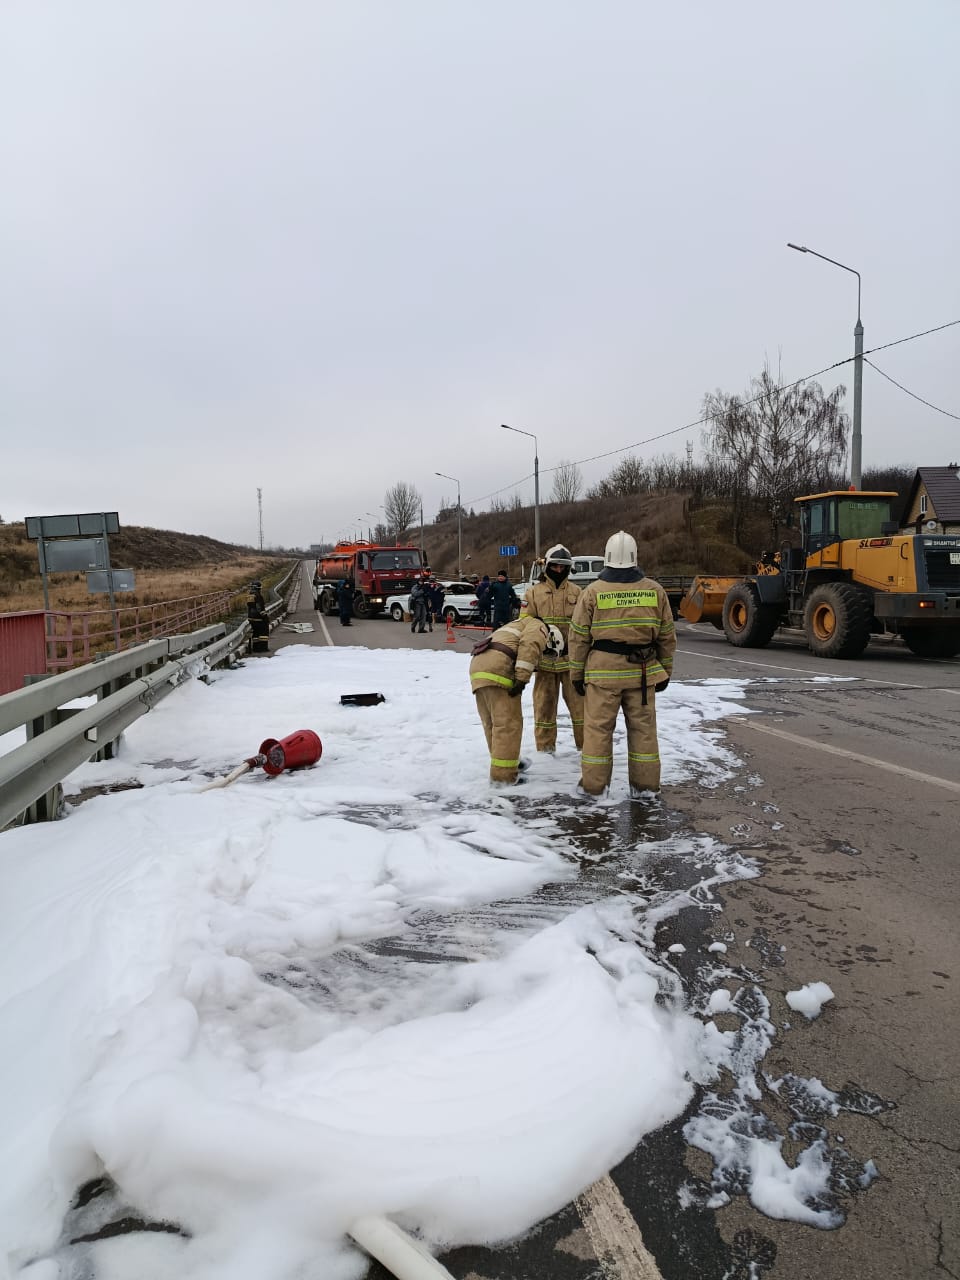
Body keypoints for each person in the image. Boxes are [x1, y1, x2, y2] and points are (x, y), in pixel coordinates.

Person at [568, 531, 676, 798]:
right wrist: (664, 672)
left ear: (606, 558)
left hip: (602, 676)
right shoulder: (655, 591)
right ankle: (645, 788)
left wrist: (577, 674)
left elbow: (578, 637)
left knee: (597, 732)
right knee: (644, 733)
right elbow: (667, 636)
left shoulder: (592, 592)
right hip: (642, 674)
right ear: (634, 557)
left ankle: (594, 789)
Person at [469, 616, 564, 784]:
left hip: (478, 667)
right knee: (508, 725)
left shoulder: (518, 624)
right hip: (498, 667)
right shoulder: (539, 627)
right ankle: (504, 778)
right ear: (552, 639)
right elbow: (530, 646)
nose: (545, 654)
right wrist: (522, 679)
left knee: (493, 724)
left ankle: (509, 763)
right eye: (548, 651)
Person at [519, 544, 584, 753]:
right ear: (547, 566)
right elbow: (524, 623)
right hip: (545, 662)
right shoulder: (533, 593)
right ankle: (545, 751)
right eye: (555, 566)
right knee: (544, 708)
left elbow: (585, 625)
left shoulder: (578, 592)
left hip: (571, 662)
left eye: (562, 567)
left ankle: (586, 749)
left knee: (581, 708)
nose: (558, 570)